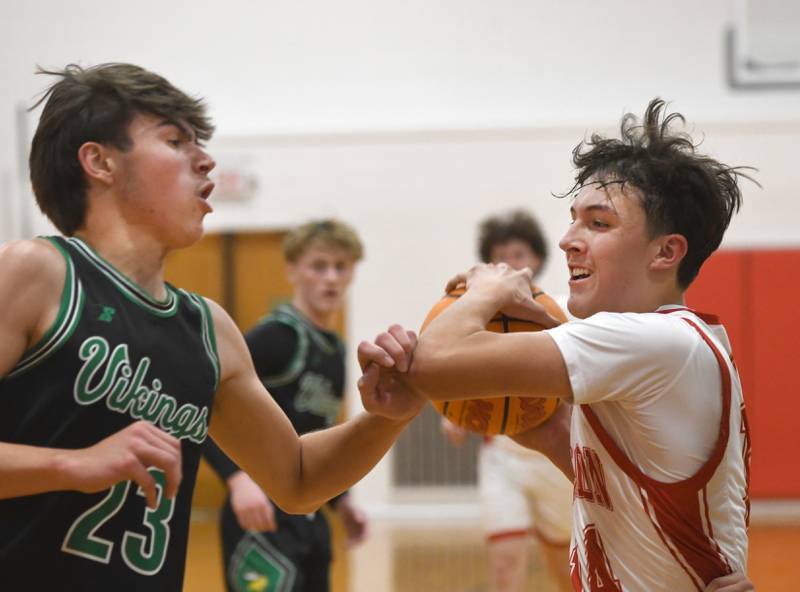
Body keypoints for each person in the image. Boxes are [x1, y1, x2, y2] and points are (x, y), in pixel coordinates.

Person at [0, 63, 424, 590]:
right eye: (175, 140)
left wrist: (385, 419)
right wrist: (73, 465)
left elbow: (297, 479)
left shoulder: (209, 330)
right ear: (99, 161)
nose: (205, 160)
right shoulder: (35, 274)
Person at [357, 99, 755, 591]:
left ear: (666, 251)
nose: (568, 238)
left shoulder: (652, 341)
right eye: (572, 219)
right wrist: (546, 433)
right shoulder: (670, 344)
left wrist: (488, 288)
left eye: (598, 223)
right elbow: (626, 499)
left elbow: (433, 364)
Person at [203, 219, 368, 591]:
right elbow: (203, 403)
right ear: (292, 270)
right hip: (260, 511)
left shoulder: (335, 347)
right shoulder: (276, 335)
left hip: (308, 516)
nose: (331, 278)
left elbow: (317, 433)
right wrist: (237, 478)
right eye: (319, 266)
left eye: (341, 267)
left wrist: (341, 501)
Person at [440, 209, 572, 592]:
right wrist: (458, 413)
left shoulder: (562, 310)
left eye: (518, 255)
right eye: (499, 257)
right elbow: (461, 373)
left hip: (556, 458)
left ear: (536, 260)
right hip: (503, 457)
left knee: (565, 572)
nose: (509, 264)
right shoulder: (476, 319)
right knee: (505, 567)